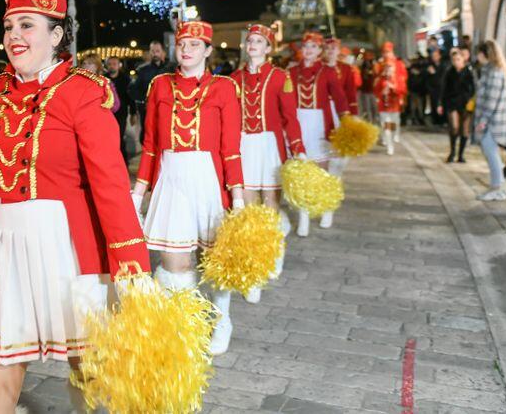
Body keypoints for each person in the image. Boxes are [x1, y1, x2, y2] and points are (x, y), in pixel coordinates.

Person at [0, 0, 149, 413]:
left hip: (68, 250)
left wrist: (133, 269)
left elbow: (110, 184)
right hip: (3, 247)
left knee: (92, 375)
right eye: (8, 27)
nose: (14, 35)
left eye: (26, 25)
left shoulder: (82, 91)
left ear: (56, 36)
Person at [133, 19, 243, 355]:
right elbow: (150, 145)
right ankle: (181, 325)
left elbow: (230, 148)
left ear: (208, 50)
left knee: (213, 260)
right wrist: (138, 192)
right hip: (171, 179)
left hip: (208, 181)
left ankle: (221, 320)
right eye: (182, 44)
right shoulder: (160, 85)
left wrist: (238, 196)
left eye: (195, 45)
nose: (186, 49)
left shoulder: (224, 88)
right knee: (174, 264)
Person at [230, 24, 304, 303]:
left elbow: (290, 117)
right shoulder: (234, 78)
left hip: (271, 147)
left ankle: (274, 253)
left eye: (259, 41)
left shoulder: (280, 77)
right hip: (244, 147)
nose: (252, 45)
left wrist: (298, 149)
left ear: (268, 48)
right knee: (249, 208)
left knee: (271, 205)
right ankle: (255, 265)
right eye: (250, 40)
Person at [289, 31, 350, 235]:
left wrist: (347, 121)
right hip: (298, 124)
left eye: (314, 47)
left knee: (322, 172)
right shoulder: (291, 72)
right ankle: (303, 216)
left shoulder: (328, 71)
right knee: (301, 172)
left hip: (321, 126)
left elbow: (340, 98)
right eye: (306, 46)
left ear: (320, 51)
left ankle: (327, 208)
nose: (309, 50)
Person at [474, 41, 506, 201]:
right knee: (491, 153)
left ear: (485, 54)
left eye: (478, 53)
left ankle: (497, 187)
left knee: (491, 153)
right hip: (493, 120)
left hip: (493, 122)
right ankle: (500, 186)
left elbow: (491, 99)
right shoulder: (490, 71)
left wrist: (483, 120)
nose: (477, 56)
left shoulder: (494, 72)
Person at [323, 37, 359, 177]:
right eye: (327, 48)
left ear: (338, 51)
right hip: (322, 109)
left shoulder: (346, 68)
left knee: (342, 143)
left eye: (333, 48)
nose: (330, 51)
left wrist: (353, 114)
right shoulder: (318, 67)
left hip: (341, 109)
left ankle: (336, 172)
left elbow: (351, 92)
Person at [128, 40, 174, 144]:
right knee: (147, 135)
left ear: (163, 52)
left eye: (157, 51)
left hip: (168, 109)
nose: (155, 54)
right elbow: (132, 89)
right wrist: (144, 100)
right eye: (152, 51)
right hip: (147, 110)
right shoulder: (142, 70)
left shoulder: (172, 69)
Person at [439, 48, 475, 163]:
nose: (456, 62)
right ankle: (452, 151)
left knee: (464, 130)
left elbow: (473, 88)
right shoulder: (449, 72)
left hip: (466, 104)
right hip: (452, 102)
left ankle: (461, 154)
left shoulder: (469, 72)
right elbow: (444, 88)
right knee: (454, 127)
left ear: (463, 59)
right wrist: (440, 103)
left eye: (458, 59)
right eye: (454, 60)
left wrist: (472, 100)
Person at [373, 52, 407, 156]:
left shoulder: (398, 79)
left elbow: (403, 91)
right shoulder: (380, 80)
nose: (388, 70)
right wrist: (382, 92)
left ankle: (392, 139)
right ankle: (389, 146)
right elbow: (375, 92)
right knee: (386, 126)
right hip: (384, 107)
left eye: (390, 68)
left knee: (393, 126)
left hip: (394, 106)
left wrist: (394, 88)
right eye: (386, 68)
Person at [105, 55, 132, 163]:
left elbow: (130, 97)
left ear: (119, 65)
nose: (112, 66)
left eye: (114, 64)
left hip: (121, 113)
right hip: (107, 114)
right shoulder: (103, 79)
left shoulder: (125, 79)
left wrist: (133, 112)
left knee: (119, 137)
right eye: (109, 64)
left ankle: (123, 162)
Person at [425, 48, 447, 125]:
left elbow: (442, 78)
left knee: (440, 104)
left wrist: (434, 73)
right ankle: (435, 120)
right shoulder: (430, 65)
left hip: (441, 89)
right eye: (433, 56)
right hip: (433, 89)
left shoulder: (443, 65)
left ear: (439, 56)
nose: (434, 58)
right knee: (433, 104)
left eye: (436, 56)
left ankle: (442, 120)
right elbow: (427, 78)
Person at [358, 51, 379, 124]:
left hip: (372, 90)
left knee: (374, 107)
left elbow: (376, 74)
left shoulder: (374, 64)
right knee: (367, 108)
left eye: (369, 56)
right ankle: (370, 122)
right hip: (365, 90)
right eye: (366, 56)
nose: (368, 58)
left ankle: (374, 121)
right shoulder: (362, 65)